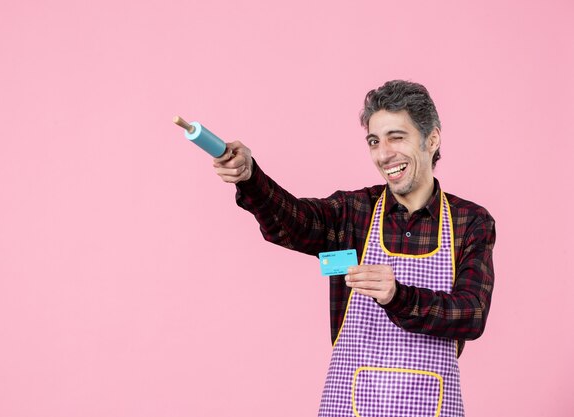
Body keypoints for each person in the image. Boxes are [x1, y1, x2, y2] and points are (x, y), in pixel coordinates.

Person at [212, 80, 495, 417]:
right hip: (348, 407)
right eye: (374, 141)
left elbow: (471, 315)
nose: (383, 154)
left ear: (431, 139)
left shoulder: (470, 222)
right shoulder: (354, 213)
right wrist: (250, 177)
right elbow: (293, 222)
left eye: (397, 137)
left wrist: (397, 296)